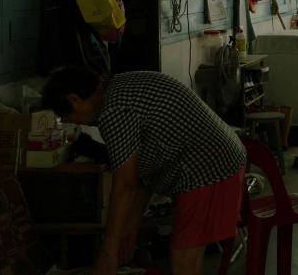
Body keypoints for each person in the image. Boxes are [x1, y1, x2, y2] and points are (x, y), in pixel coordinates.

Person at [42, 68, 247, 275]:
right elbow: (143, 173)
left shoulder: (113, 110)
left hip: (207, 168)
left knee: (184, 259)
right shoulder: (120, 87)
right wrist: (131, 225)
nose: (75, 123)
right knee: (184, 256)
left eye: (68, 117)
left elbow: (125, 184)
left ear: (75, 100)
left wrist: (107, 253)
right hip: (218, 159)